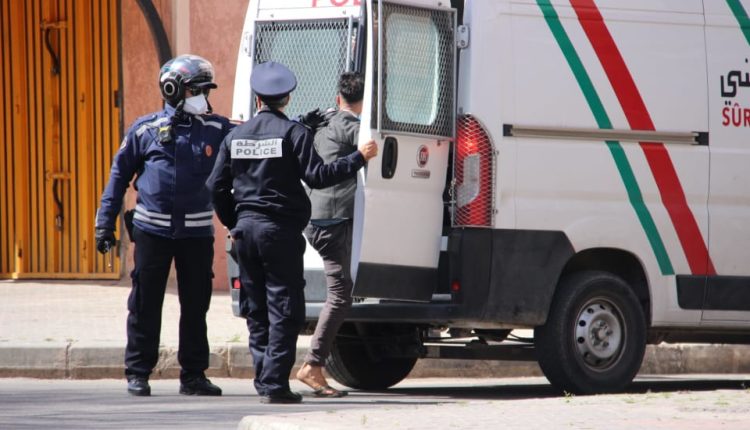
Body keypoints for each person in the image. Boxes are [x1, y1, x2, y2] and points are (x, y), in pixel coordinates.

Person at [205, 61, 377, 404]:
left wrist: (234, 222)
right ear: (286, 99)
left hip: (245, 233)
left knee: (257, 310)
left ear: (257, 99)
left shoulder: (235, 136)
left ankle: (264, 378)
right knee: (285, 309)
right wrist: (358, 158)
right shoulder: (293, 133)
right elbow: (318, 177)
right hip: (279, 233)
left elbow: (215, 186)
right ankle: (274, 385)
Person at [95, 54, 234, 397]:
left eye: (205, 90)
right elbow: (118, 177)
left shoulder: (217, 129)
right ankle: (138, 372)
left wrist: (291, 126)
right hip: (152, 233)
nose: (203, 96)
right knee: (145, 304)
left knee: (196, 306)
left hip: (196, 235)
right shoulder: (144, 130)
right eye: (197, 90)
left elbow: (254, 136)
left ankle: (193, 376)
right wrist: (104, 225)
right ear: (173, 90)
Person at [295, 72, 365, 398]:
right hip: (332, 222)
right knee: (339, 296)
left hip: (314, 217)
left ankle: (314, 363)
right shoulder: (352, 126)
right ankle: (312, 365)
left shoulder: (323, 123)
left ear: (338, 98)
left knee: (340, 292)